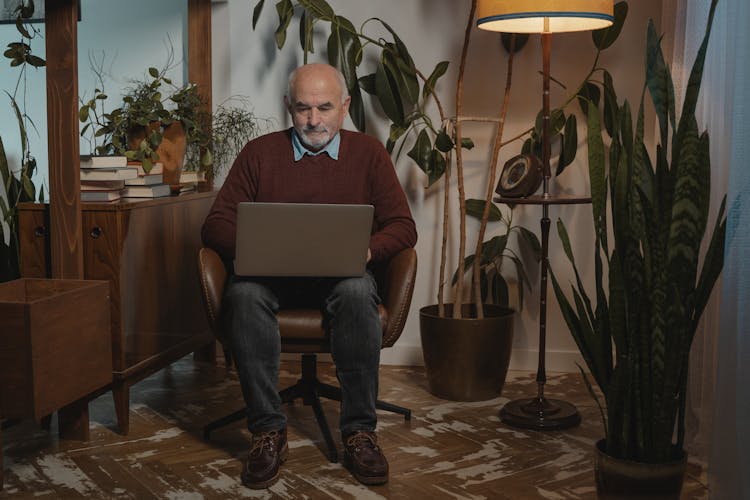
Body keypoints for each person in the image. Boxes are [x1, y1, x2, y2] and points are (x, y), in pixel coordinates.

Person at [201, 63, 417, 489]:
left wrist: (370, 249)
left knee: (358, 292)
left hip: (343, 277)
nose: (313, 120)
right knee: (243, 296)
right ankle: (268, 430)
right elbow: (215, 224)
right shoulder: (260, 153)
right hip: (271, 277)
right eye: (302, 109)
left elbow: (403, 226)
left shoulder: (369, 153)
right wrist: (255, 247)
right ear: (288, 106)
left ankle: (359, 432)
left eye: (324, 108)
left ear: (345, 107)